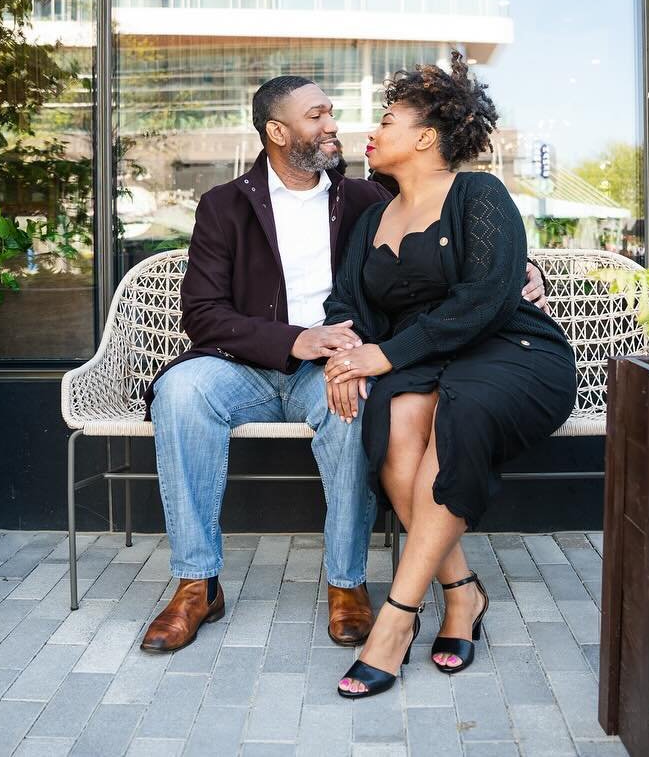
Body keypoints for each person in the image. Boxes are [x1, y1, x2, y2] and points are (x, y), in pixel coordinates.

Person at [139, 75, 548, 654]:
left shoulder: (364, 197)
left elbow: (444, 235)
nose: (334, 125)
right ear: (278, 132)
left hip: (336, 362)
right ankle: (195, 583)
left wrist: (526, 270)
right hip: (244, 364)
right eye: (317, 115)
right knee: (180, 392)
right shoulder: (223, 206)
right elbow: (203, 315)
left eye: (332, 113)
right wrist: (293, 340)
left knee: (353, 407)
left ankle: (347, 583)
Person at [321, 52, 578, 698]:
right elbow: (345, 304)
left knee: (455, 409)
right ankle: (461, 593)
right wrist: (347, 355)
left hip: (512, 348)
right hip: (426, 359)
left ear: (427, 136)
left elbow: (489, 296)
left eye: (387, 118)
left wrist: (384, 356)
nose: (372, 132)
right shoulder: (369, 219)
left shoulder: (478, 194)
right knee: (393, 417)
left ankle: (395, 622)